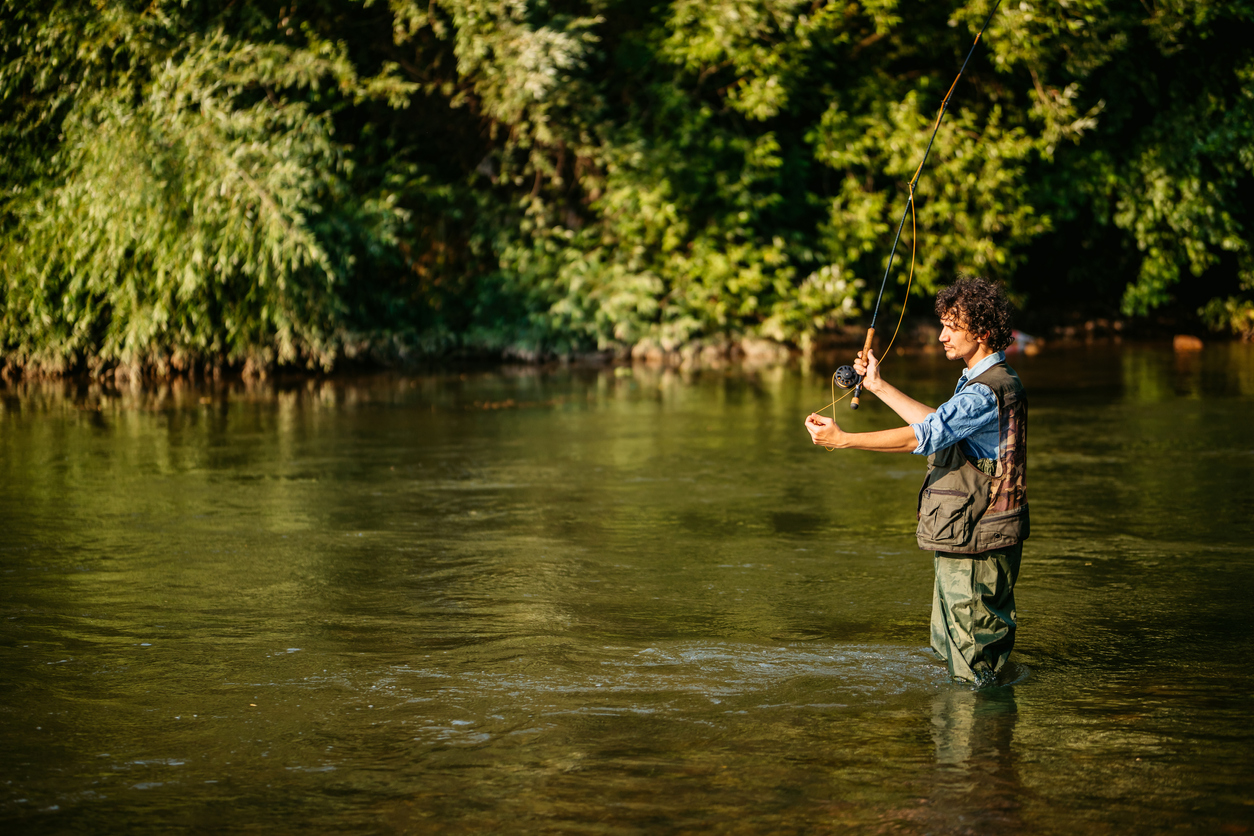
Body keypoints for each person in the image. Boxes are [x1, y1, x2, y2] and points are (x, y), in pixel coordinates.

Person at [804, 277, 1029, 687]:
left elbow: (922, 436)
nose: (941, 336)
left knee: (972, 665)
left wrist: (843, 439)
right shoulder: (984, 382)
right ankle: (963, 745)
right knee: (953, 648)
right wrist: (876, 385)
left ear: (980, 332)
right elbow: (939, 424)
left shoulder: (985, 391)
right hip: (968, 537)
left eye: (950, 327)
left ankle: (981, 744)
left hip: (979, 541)